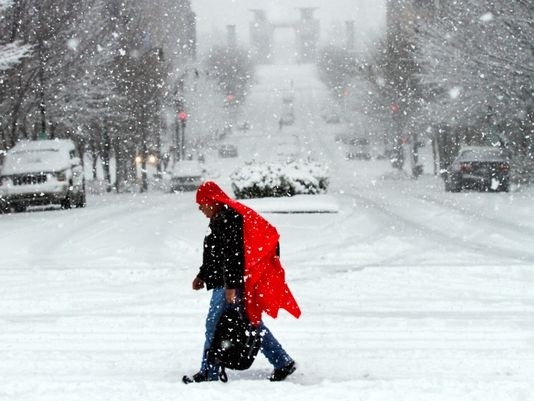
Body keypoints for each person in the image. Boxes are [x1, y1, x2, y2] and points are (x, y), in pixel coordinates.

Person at [183, 181, 301, 383]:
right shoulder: (219, 218)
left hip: (229, 284)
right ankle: (282, 361)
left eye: (202, 204)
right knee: (249, 323)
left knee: (214, 324)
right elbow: (214, 255)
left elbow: (233, 256)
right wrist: (202, 275)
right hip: (228, 282)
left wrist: (231, 286)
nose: (200, 209)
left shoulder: (228, 218)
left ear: (212, 201)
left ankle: (209, 371)